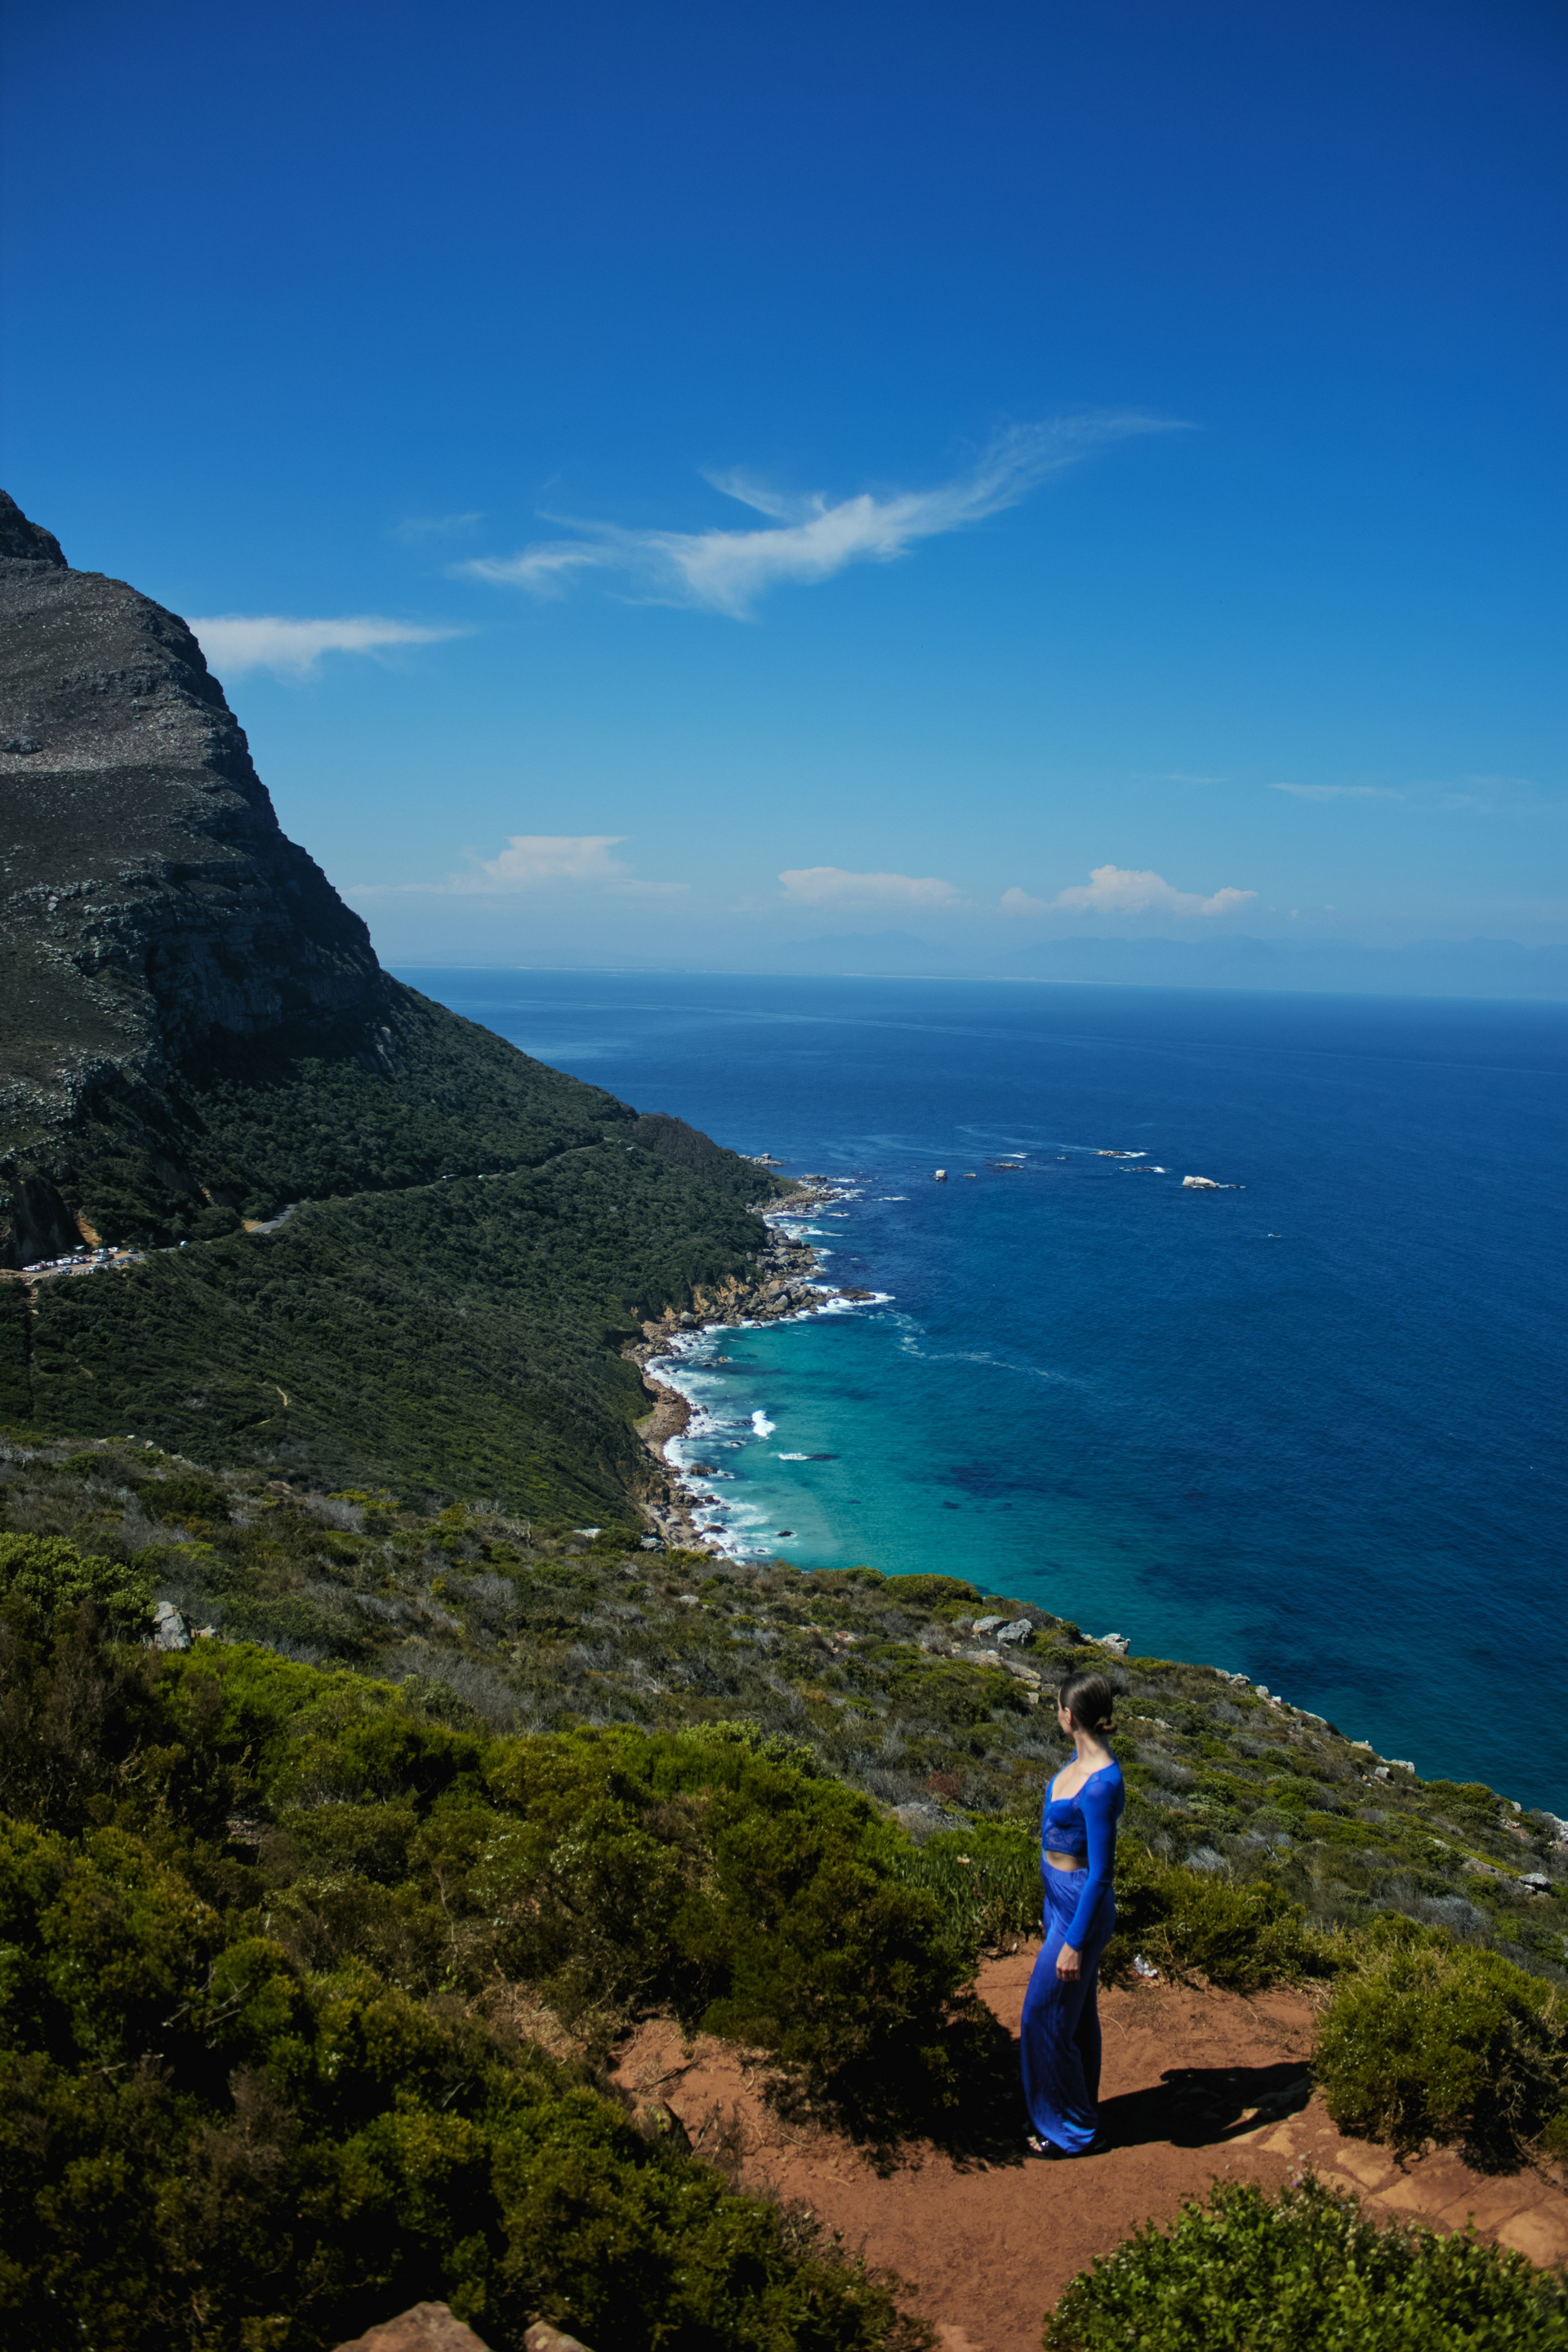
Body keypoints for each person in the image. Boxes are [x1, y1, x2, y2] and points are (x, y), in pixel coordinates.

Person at [1019, 1668, 1124, 2158]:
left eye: (1057, 1708)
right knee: (1077, 2017)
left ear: (1069, 1716)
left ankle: (1072, 2132)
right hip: (1058, 1901)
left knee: (1042, 2017)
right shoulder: (1079, 1762)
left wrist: (1074, 1943)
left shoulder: (1101, 1784)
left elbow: (1101, 1874)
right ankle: (1079, 2109)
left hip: (1080, 1909)